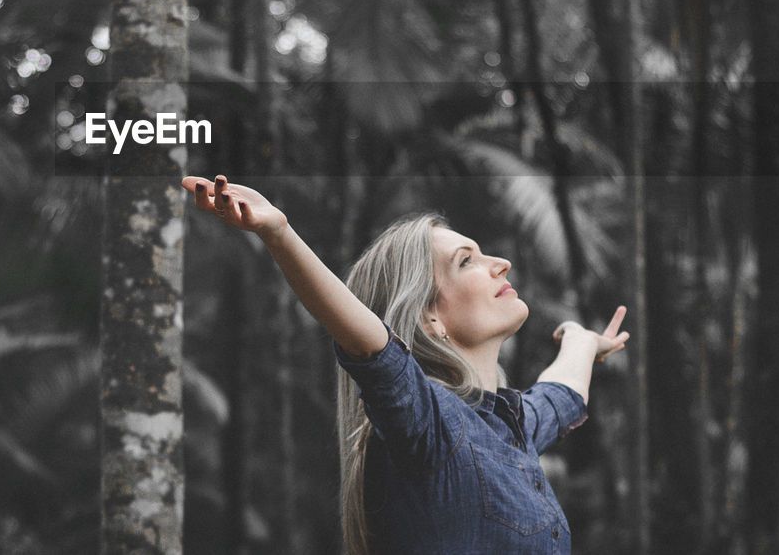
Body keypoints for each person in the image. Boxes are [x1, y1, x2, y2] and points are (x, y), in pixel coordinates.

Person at [181, 174, 629, 555]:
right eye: (467, 261)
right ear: (428, 316)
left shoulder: (512, 430)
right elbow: (370, 343)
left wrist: (581, 339)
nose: (501, 264)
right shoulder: (431, 423)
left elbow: (561, 392)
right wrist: (278, 232)